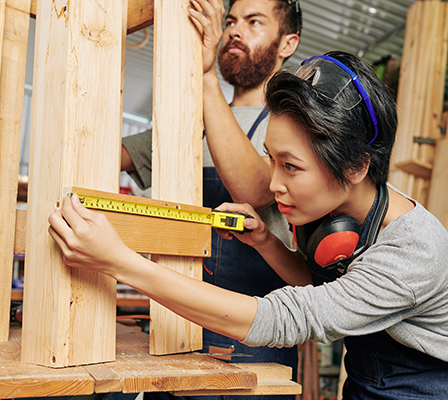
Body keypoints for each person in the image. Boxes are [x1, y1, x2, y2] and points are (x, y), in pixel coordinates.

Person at [48, 51, 448, 399]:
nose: (273, 183)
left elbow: (288, 317)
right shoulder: (334, 218)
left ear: (355, 166)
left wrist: (119, 262)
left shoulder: (414, 251)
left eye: (291, 167)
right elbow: (318, 284)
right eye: (271, 159)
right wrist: (265, 241)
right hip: (366, 389)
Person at [121, 0, 302, 398]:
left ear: (288, 43)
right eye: (231, 21)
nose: (234, 31)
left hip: (255, 337)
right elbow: (111, 152)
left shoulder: (292, 122)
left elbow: (253, 189)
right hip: (175, 323)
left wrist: (205, 78)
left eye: (254, 22)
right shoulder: (189, 117)